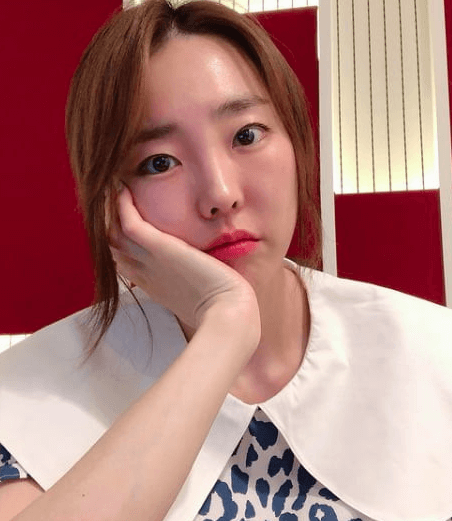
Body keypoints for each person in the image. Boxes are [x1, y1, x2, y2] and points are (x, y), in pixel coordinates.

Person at [0, 0, 451, 520]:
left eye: (246, 135)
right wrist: (226, 328)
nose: (219, 193)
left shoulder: (431, 353)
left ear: (297, 141)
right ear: (110, 201)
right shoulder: (26, 400)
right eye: (159, 162)